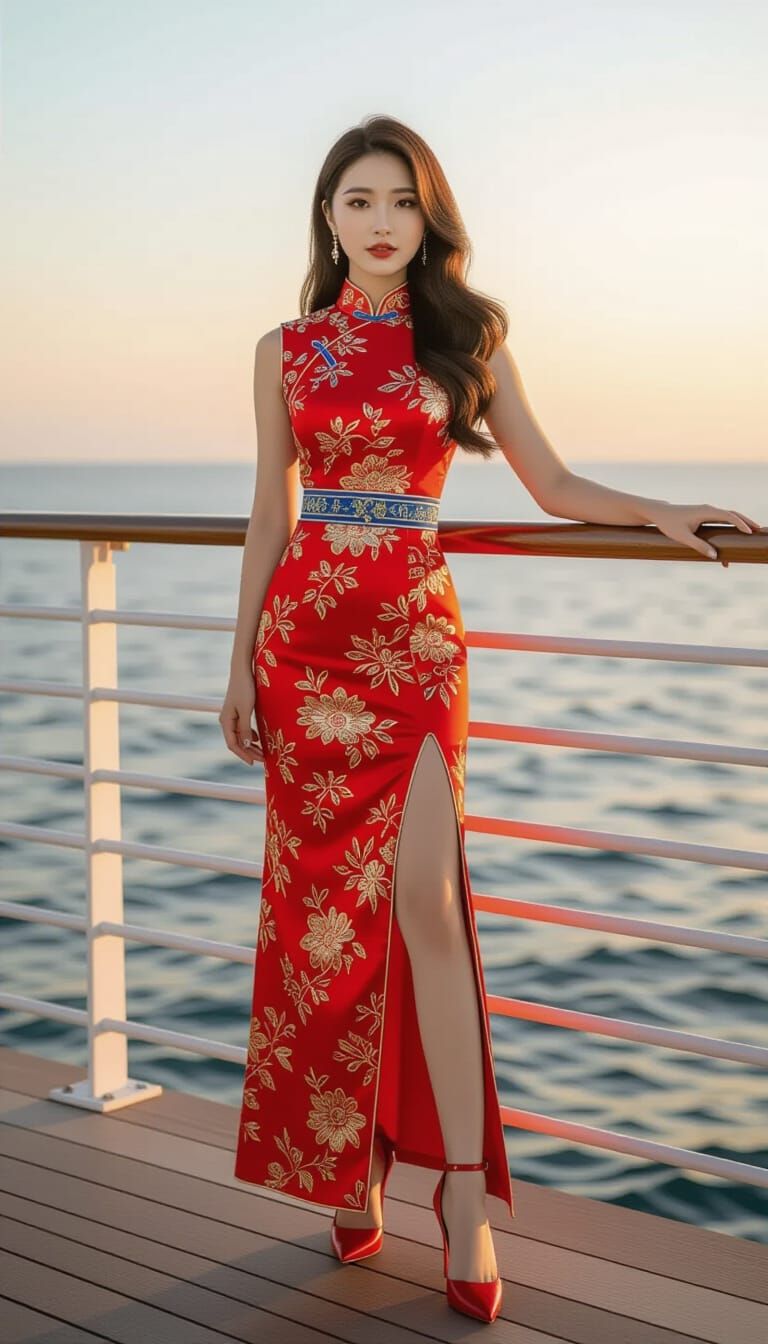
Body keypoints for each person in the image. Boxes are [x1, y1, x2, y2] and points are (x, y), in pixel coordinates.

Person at [220, 114, 761, 1325]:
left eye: (401, 202)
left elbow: (552, 484)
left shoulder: (467, 335)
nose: (379, 222)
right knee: (320, 913)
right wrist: (235, 660)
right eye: (358, 200)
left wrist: (663, 509)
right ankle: (346, 1163)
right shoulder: (283, 349)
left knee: (425, 909)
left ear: (430, 218)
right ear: (328, 217)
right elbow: (269, 511)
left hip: (412, 650)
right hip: (303, 653)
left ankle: (462, 1190)